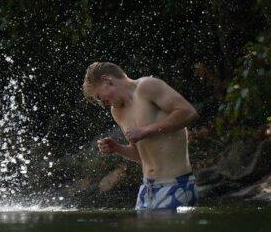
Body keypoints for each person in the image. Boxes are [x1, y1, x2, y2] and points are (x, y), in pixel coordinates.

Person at [83, 62, 200, 210]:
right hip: (146, 189)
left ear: (107, 81)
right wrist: (117, 148)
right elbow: (142, 156)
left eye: (100, 98)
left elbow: (189, 113)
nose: (104, 104)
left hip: (176, 184)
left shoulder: (147, 86)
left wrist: (146, 131)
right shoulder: (117, 111)